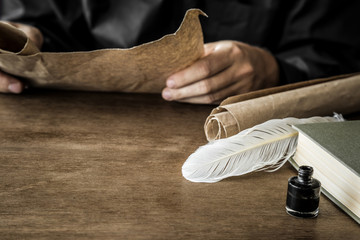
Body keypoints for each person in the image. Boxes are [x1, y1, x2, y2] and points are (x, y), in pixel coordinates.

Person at [1, 0, 360, 104]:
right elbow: (34, 14)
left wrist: (273, 69)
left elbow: (335, 55)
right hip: (66, 113)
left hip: (248, 129)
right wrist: (18, 35)